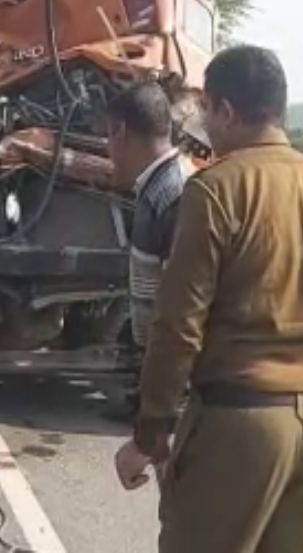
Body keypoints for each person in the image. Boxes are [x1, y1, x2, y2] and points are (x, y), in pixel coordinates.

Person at [113, 44, 303, 553]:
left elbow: (178, 325)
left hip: (241, 426)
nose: (203, 124)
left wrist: (150, 432)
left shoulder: (216, 190)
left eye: (206, 111)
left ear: (225, 110)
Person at [103, 80, 189, 424]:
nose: (107, 149)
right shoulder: (158, 186)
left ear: (121, 131)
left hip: (173, 394)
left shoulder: (173, 194)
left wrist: (161, 410)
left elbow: (180, 306)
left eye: (108, 137)